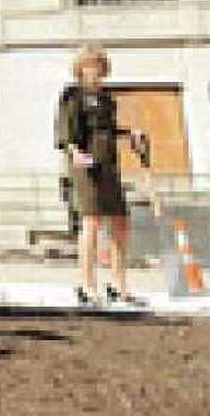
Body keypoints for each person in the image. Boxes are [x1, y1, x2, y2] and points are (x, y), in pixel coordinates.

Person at [55, 44, 144, 307]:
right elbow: (66, 130)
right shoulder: (73, 96)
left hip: (108, 164)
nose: (95, 71)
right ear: (81, 69)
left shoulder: (107, 99)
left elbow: (108, 129)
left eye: (99, 66)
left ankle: (119, 284)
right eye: (90, 66)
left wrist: (130, 134)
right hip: (84, 164)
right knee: (91, 221)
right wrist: (74, 152)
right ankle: (86, 284)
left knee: (120, 221)